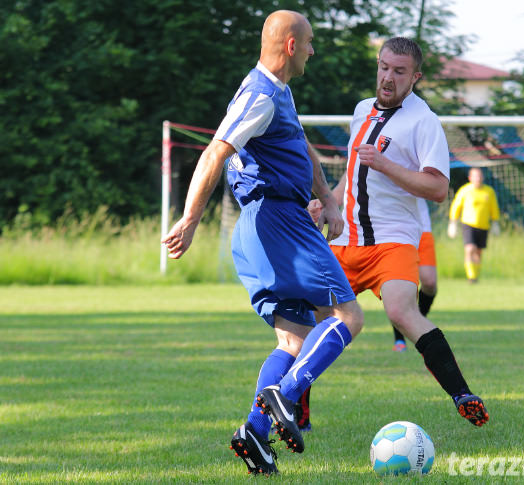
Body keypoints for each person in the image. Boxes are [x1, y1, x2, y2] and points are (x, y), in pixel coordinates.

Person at [161, 10, 365, 476]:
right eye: (310, 42)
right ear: (292, 46)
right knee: (348, 316)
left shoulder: (278, 92)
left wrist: (328, 203)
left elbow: (302, 148)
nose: (314, 50)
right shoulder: (260, 95)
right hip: (277, 222)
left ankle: (254, 433)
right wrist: (191, 218)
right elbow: (216, 151)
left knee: (292, 340)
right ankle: (284, 397)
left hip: (262, 226)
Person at [309, 36, 489, 429]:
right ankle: (296, 408)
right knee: (312, 319)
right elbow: (353, 173)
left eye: (399, 71)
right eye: (383, 67)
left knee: (401, 311)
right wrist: (327, 204)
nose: (388, 78)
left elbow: (439, 189)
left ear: (416, 77)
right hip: (345, 239)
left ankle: (463, 394)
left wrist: (387, 165)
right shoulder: (361, 111)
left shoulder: (424, 121)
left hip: (392, 240)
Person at [391, 198, 438, 352]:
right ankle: (400, 337)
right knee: (402, 286)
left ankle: (412, 325)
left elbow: (437, 190)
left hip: (422, 227)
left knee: (429, 282)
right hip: (395, 229)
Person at [447, 167, 500, 283]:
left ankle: (475, 276)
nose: (478, 178)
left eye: (480, 176)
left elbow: (493, 207)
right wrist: (453, 223)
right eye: (475, 176)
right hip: (468, 224)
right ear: (470, 178)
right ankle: (470, 276)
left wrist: (495, 222)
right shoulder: (465, 190)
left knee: (478, 252)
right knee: (470, 248)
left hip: (483, 225)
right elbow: (457, 206)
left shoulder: (488, 191)